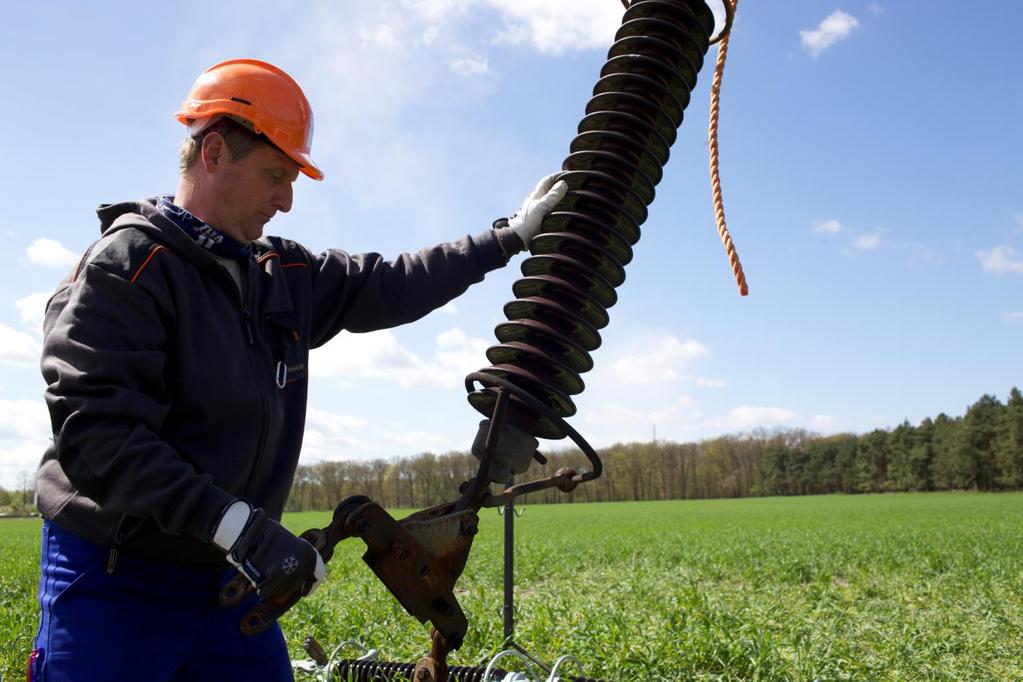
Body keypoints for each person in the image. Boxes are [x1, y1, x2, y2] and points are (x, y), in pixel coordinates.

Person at [28, 58, 566, 681]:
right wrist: (240, 528)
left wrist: (506, 239)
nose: (285, 201)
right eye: (275, 176)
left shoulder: (279, 273)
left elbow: (386, 284)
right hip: (118, 576)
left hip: (230, 581)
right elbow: (101, 438)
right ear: (213, 152)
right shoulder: (129, 269)